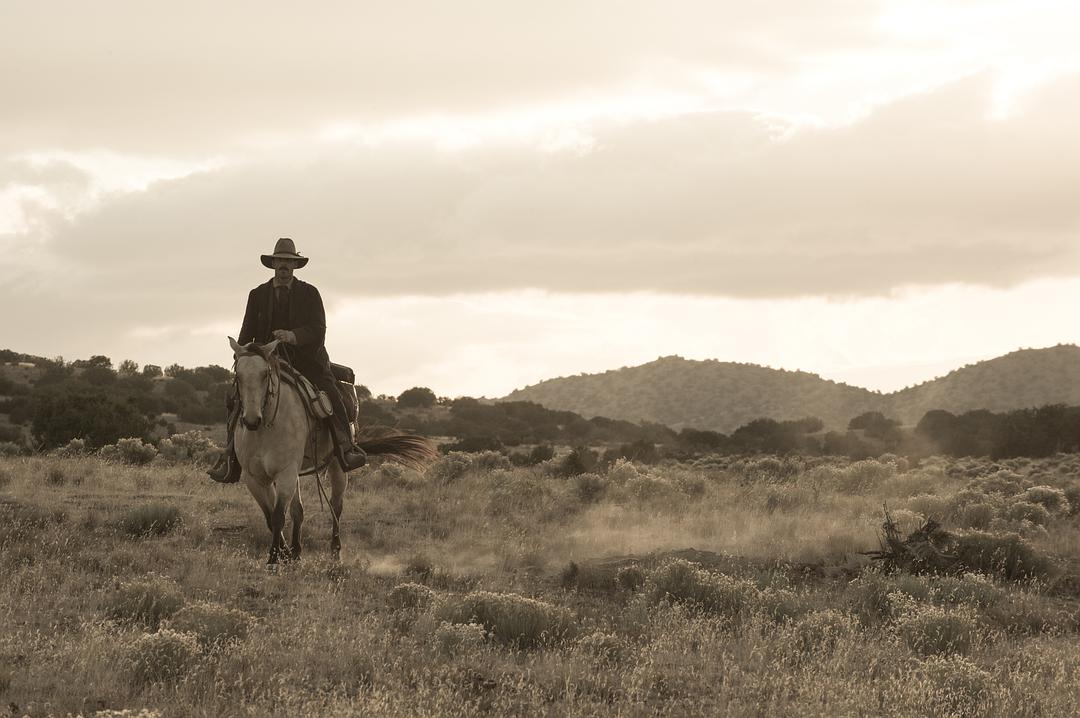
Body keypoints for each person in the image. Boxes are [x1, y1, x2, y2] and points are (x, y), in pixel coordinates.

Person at [208, 238, 367, 482]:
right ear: (273, 264)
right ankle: (231, 458)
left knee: (331, 394)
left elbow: (318, 329)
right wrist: (243, 355)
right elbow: (246, 331)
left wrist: (293, 336)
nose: (283, 266)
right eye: (279, 261)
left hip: (307, 360)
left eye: (288, 262)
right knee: (235, 397)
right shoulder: (257, 294)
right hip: (266, 361)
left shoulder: (310, 293)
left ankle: (345, 448)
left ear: (294, 266)